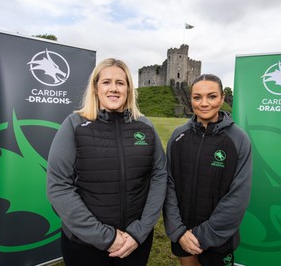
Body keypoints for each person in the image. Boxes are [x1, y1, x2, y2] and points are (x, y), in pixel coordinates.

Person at [47, 58, 167, 266]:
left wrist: (139, 232)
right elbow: (59, 186)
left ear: (129, 88)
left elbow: (159, 176)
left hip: (135, 243)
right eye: (106, 82)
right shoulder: (74, 125)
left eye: (120, 83)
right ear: (95, 88)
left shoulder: (145, 126)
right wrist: (105, 237)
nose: (114, 89)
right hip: (84, 246)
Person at [164, 74, 252, 266]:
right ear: (191, 99)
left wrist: (202, 235)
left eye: (211, 96)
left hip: (218, 238)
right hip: (182, 234)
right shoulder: (178, 136)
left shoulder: (238, 139)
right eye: (197, 97)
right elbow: (168, 184)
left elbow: (238, 196)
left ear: (222, 98)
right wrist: (178, 230)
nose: (204, 103)